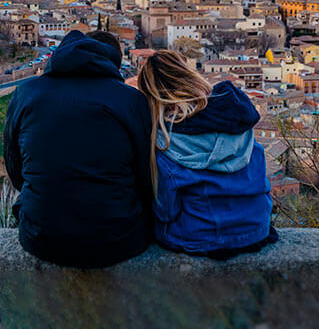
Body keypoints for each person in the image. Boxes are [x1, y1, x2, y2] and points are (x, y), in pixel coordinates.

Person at [4, 30, 153, 268]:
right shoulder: (132, 100)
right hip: (119, 239)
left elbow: (15, 169)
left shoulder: (26, 94)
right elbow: (145, 178)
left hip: (41, 237)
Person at [137, 50, 277, 260]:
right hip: (256, 228)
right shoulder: (236, 118)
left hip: (200, 237)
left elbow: (167, 211)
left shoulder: (166, 140)